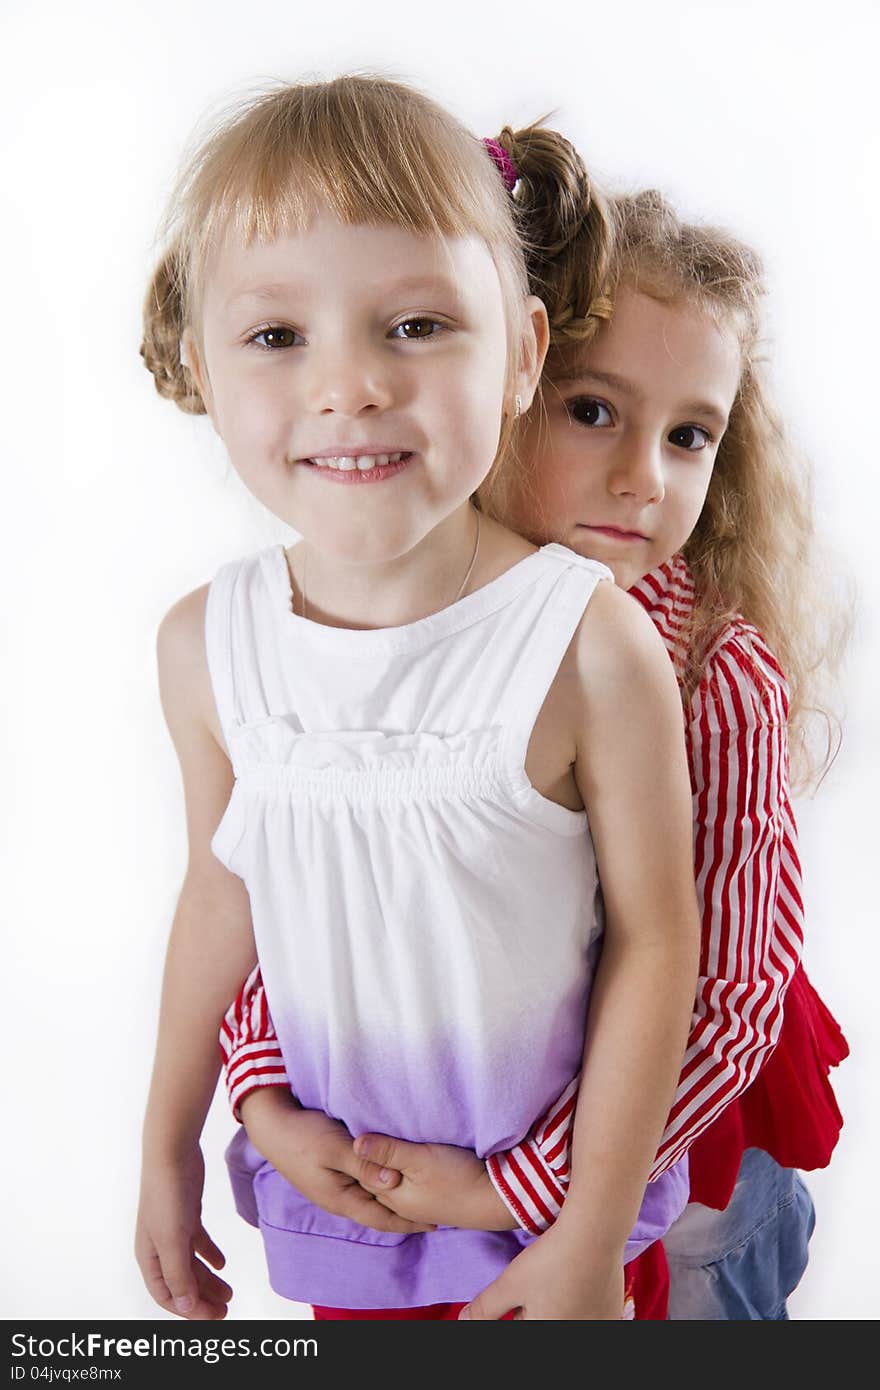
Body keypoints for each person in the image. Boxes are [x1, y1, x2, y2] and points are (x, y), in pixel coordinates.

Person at [222, 147, 849, 1319]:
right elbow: (315, 886)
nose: (643, 477)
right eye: (595, 409)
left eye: (689, 437)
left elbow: (721, 995)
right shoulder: (395, 631)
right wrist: (264, 1090)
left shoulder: (711, 675)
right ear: (506, 378)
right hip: (478, 1109)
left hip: (675, 1143)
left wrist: (526, 1187)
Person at [134, 78, 701, 1323]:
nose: (350, 386)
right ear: (201, 367)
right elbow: (223, 894)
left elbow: (660, 944)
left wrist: (590, 1234)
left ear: (523, 355)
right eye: (279, 337)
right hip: (347, 1215)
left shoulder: (585, 645)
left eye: (416, 325)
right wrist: (167, 1142)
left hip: (558, 1225)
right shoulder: (207, 647)